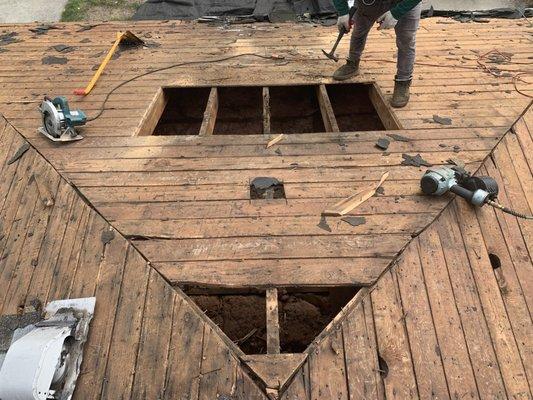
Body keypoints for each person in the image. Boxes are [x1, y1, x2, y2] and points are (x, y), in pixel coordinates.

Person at [332, 0, 422, 108]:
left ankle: (403, 81)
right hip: (368, 3)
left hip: (404, 2)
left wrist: (396, 13)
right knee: (359, 31)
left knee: (406, 40)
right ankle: (352, 63)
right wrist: (343, 12)